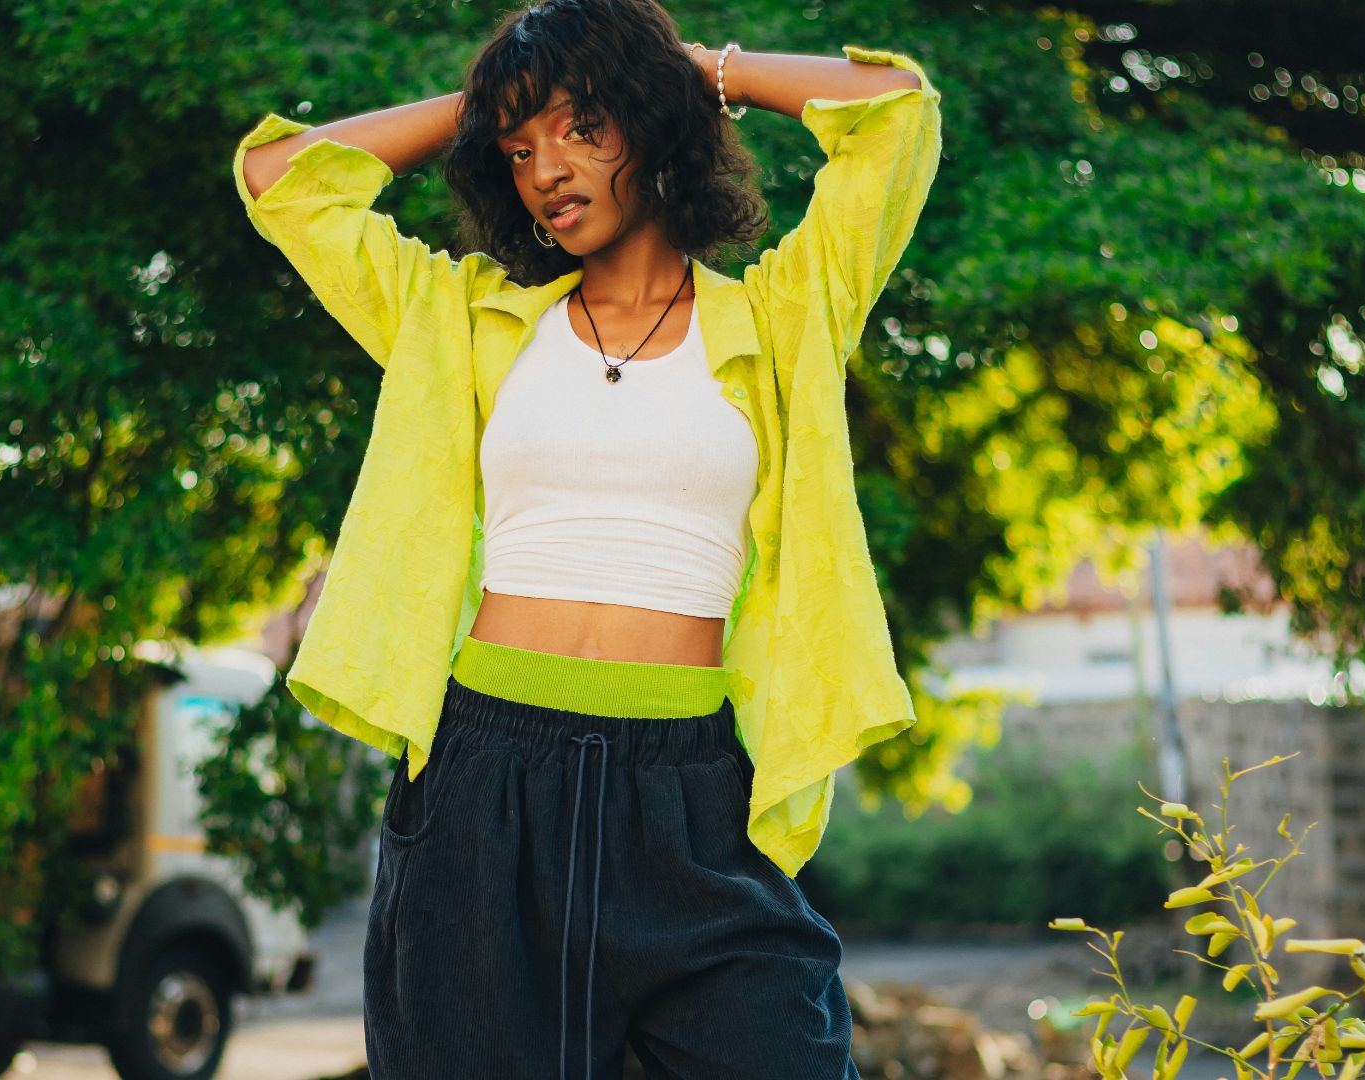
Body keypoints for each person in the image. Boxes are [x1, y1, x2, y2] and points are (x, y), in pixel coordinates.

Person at [234, 0, 940, 1075]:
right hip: (485, 786)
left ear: (649, 125)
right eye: (518, 151)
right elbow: (283, 178)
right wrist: (491, 99)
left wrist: (701, 69)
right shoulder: (460, 321)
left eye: (580, 129)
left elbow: (894, 112)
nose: (546, 172)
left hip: (691, 795)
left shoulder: (784, 317)